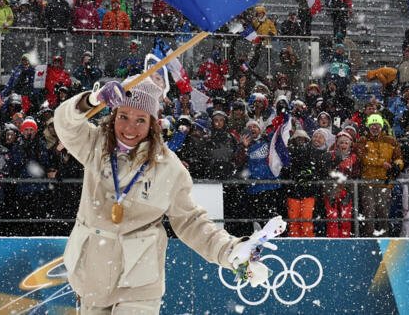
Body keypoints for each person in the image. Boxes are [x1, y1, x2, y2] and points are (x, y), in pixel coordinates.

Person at [53, 77, 285, 314]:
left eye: (140, 120)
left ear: (153, 123)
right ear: (113, 116)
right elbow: (64, 123)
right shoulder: (96, 144)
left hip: (139, 283)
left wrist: (229, 250)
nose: (130, 128)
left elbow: (191, 222)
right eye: (123, 117)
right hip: (92, 277)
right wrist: (91, 100)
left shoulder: (168, 167)